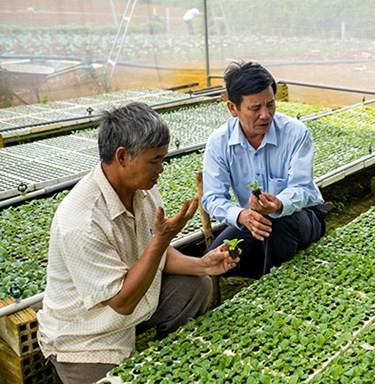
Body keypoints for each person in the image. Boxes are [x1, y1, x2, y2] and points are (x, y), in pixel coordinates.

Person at [37, 102, 238, 384]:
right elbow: (122, 302)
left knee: (196, 285)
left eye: (162, 159)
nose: (162, 169)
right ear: (122, 156)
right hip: (87, 335)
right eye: (154, 160)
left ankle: (171, 354)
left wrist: (203, 264)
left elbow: (153, 251)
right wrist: (162, 239)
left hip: (131, 307)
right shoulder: (80, 220)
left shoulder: (144, 192)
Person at [202, 61, 327, 279]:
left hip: (301, 215)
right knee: (214, 258)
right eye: (255, 108)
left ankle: (276, 285)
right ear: (233, 108)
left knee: (278, 226)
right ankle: (266, 273)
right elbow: (212, 198)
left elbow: (303, 188)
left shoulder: (296, 133)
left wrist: (279, 203)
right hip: (253, 220)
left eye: (270, 104)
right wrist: (241, 215)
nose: (265, 115)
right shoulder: (219, 142)